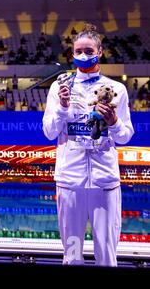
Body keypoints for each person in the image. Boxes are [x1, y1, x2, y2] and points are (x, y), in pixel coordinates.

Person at [42, 23, 134, 266]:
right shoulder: (59, 88)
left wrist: (113, 122)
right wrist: (62, 107)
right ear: (72, 54)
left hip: (105, 181)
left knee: (106, 256)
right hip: (69, 180)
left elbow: (125, 136)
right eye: (79, 51)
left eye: (88, 50)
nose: (83, 55)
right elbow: (49, 132)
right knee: (72, 258)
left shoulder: (117, 89)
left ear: (100, 51)